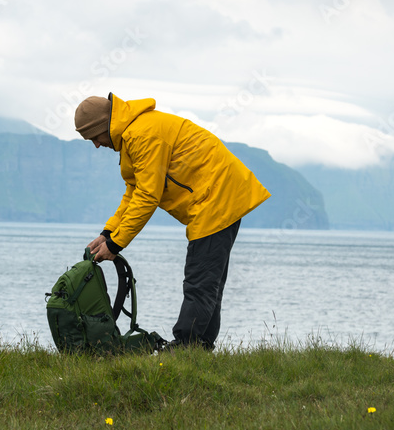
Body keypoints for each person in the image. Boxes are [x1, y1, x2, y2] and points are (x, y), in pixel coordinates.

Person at [75, 93, 271, 350]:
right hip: (220, 196)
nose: (97, 145)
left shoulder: (141, 135)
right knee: (209, 282)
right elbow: (134, 191)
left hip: (216, 198)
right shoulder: (133, 133)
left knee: (199, 280)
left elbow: (147, 197)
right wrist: (108, 233)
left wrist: (116, 245)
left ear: (103, 126)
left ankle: (186, 346)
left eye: (95, 138)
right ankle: (199, 348)